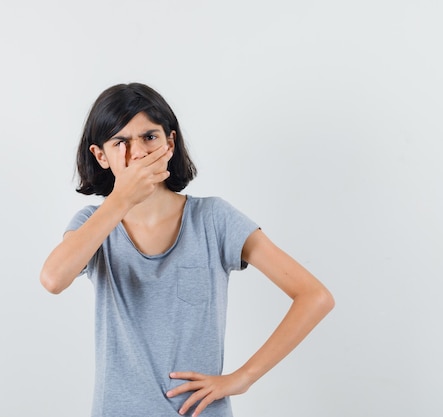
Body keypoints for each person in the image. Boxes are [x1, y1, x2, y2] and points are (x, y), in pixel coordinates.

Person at [40, 83, 334, 417]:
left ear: (170, 142)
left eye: (149, 137)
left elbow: (314, 296)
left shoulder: (213, 219)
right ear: (101, 156)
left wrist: (243, 378)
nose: (137, 152)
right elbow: (53, 279)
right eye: (120, 142)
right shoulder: (92, 224)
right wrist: (121, 198)